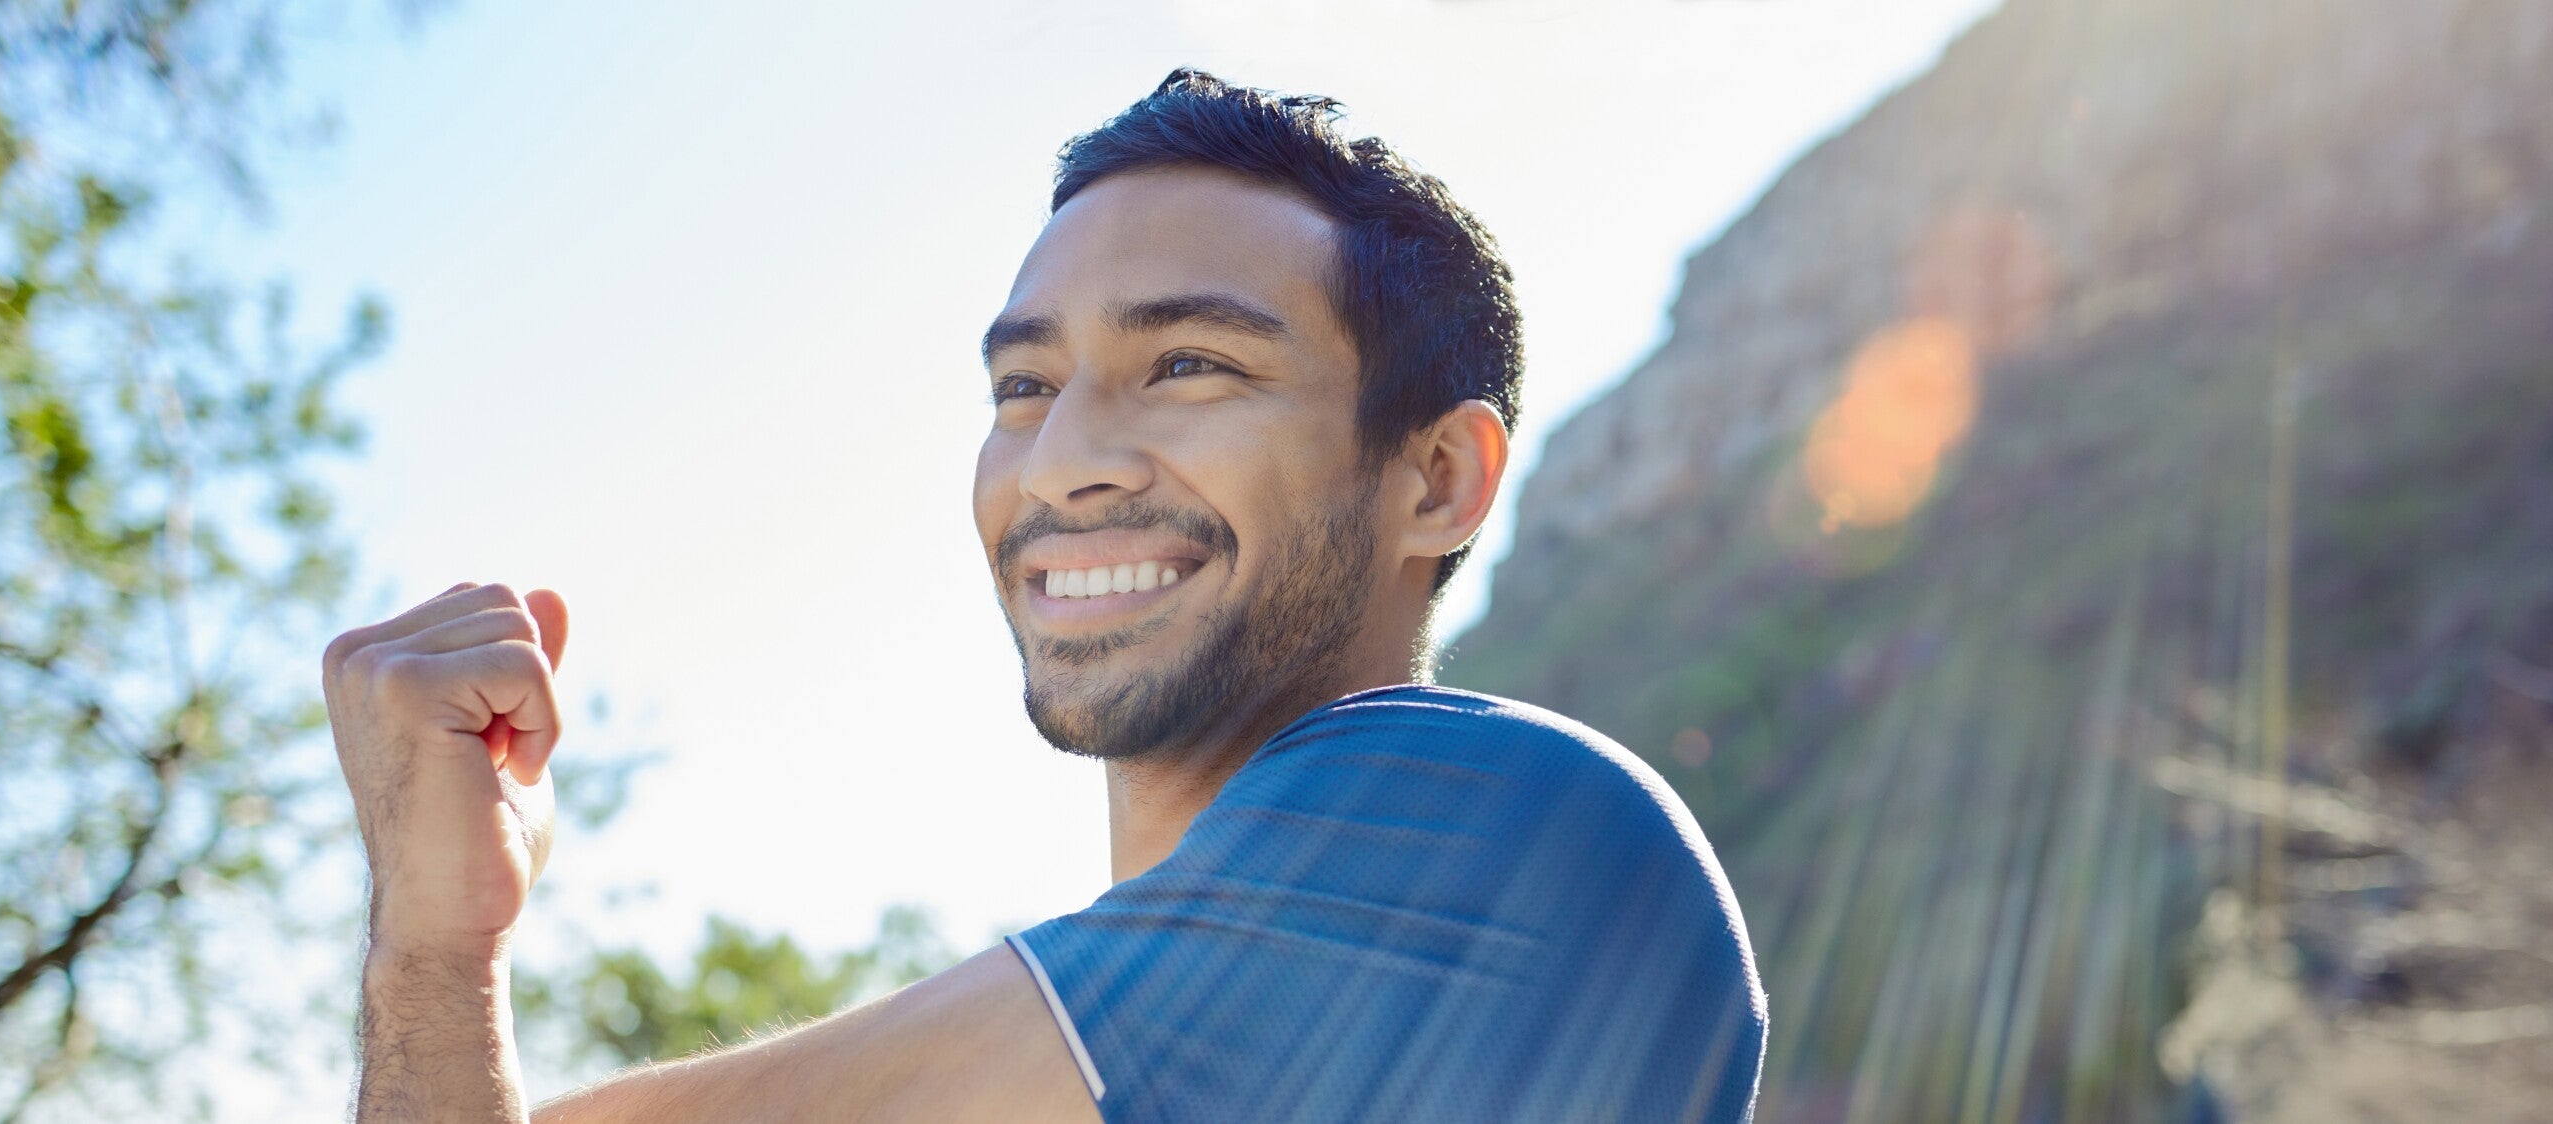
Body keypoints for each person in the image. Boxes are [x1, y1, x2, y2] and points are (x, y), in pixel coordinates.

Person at [325, 69, 1767, 1122]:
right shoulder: (1094, 1051)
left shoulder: (1510, 823)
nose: (1063, 461)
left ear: (1438, 477)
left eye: (1192, 363)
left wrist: (438, 973)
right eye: (1024, 386)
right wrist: (436, 950)